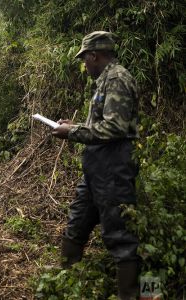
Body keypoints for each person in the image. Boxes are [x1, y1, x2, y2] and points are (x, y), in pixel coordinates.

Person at [52, 31, 140, 299]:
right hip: (96, 169)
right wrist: (74, 126)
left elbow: (115, 128)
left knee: (122, 236)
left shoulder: (116, 79)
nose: (85, 65)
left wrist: (73, 132)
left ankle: (137, 294)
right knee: (78, 221)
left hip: (113, 168)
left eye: (85, 59)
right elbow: (101, 123)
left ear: (94, 56)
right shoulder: (104, 81)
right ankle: (65, 282)